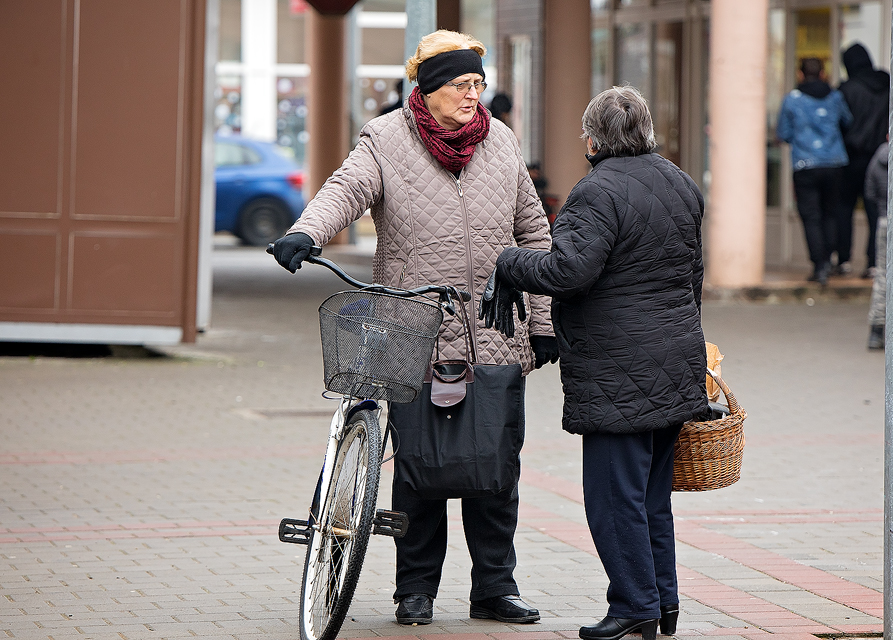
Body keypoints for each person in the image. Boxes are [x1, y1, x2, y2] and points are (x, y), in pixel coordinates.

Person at [271, 29, 556, 627]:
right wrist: (307, 232)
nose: (474, 95)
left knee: (496, 469)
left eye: (479, 84)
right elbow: (345, 190)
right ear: (426, 91)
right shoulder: (387, 140)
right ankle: (415, 591)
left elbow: (534, 234)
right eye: (462, 85)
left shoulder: (501, 141)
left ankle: (494, 590)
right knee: (420, 470)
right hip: (413, 331)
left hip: (494, 330)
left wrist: (544, 320)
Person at [482, 86, 709, 640]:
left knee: (613, 500)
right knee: (652, 497)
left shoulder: (596, 193)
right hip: (675, 361)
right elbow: (693, 278)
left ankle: (634, 604)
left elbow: (567, 273)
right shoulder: (681, 183)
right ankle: (661, 603)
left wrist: (510, 260)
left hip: (619, 372)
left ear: (593, 138)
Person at [776, 58, 853, 286]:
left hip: (805, 164)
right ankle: (829, 260)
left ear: (800, 74)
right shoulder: (835, 97)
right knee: (830, 212)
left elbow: (783, 132)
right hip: (835, 162)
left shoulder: (792, 100)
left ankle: (819, 266)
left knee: (811, 216)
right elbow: (847, 121)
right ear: (823, 73)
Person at [836, 43, 890, 278]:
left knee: (844, 209)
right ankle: (874, 261)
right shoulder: (889, 84)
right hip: (881, 159)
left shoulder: (847, 89)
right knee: (876, 211)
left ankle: (844, 260)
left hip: (851, 158)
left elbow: (839, 123)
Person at [865, 139, 889, 350]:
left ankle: (876, 331)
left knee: (882, 275)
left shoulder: (877, 159)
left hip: (884, 221)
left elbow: (870, 192)